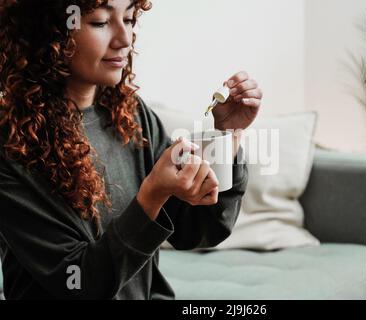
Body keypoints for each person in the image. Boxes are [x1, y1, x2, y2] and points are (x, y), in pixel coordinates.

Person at [0, 0, 262, 299]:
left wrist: (226, 136)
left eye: (129, 19)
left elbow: (196, 231)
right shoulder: (12, 146)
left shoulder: (131, 116)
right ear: (50, 31)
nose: (124, 40)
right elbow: (78, 282)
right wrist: (151, 195)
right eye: (100, 22)